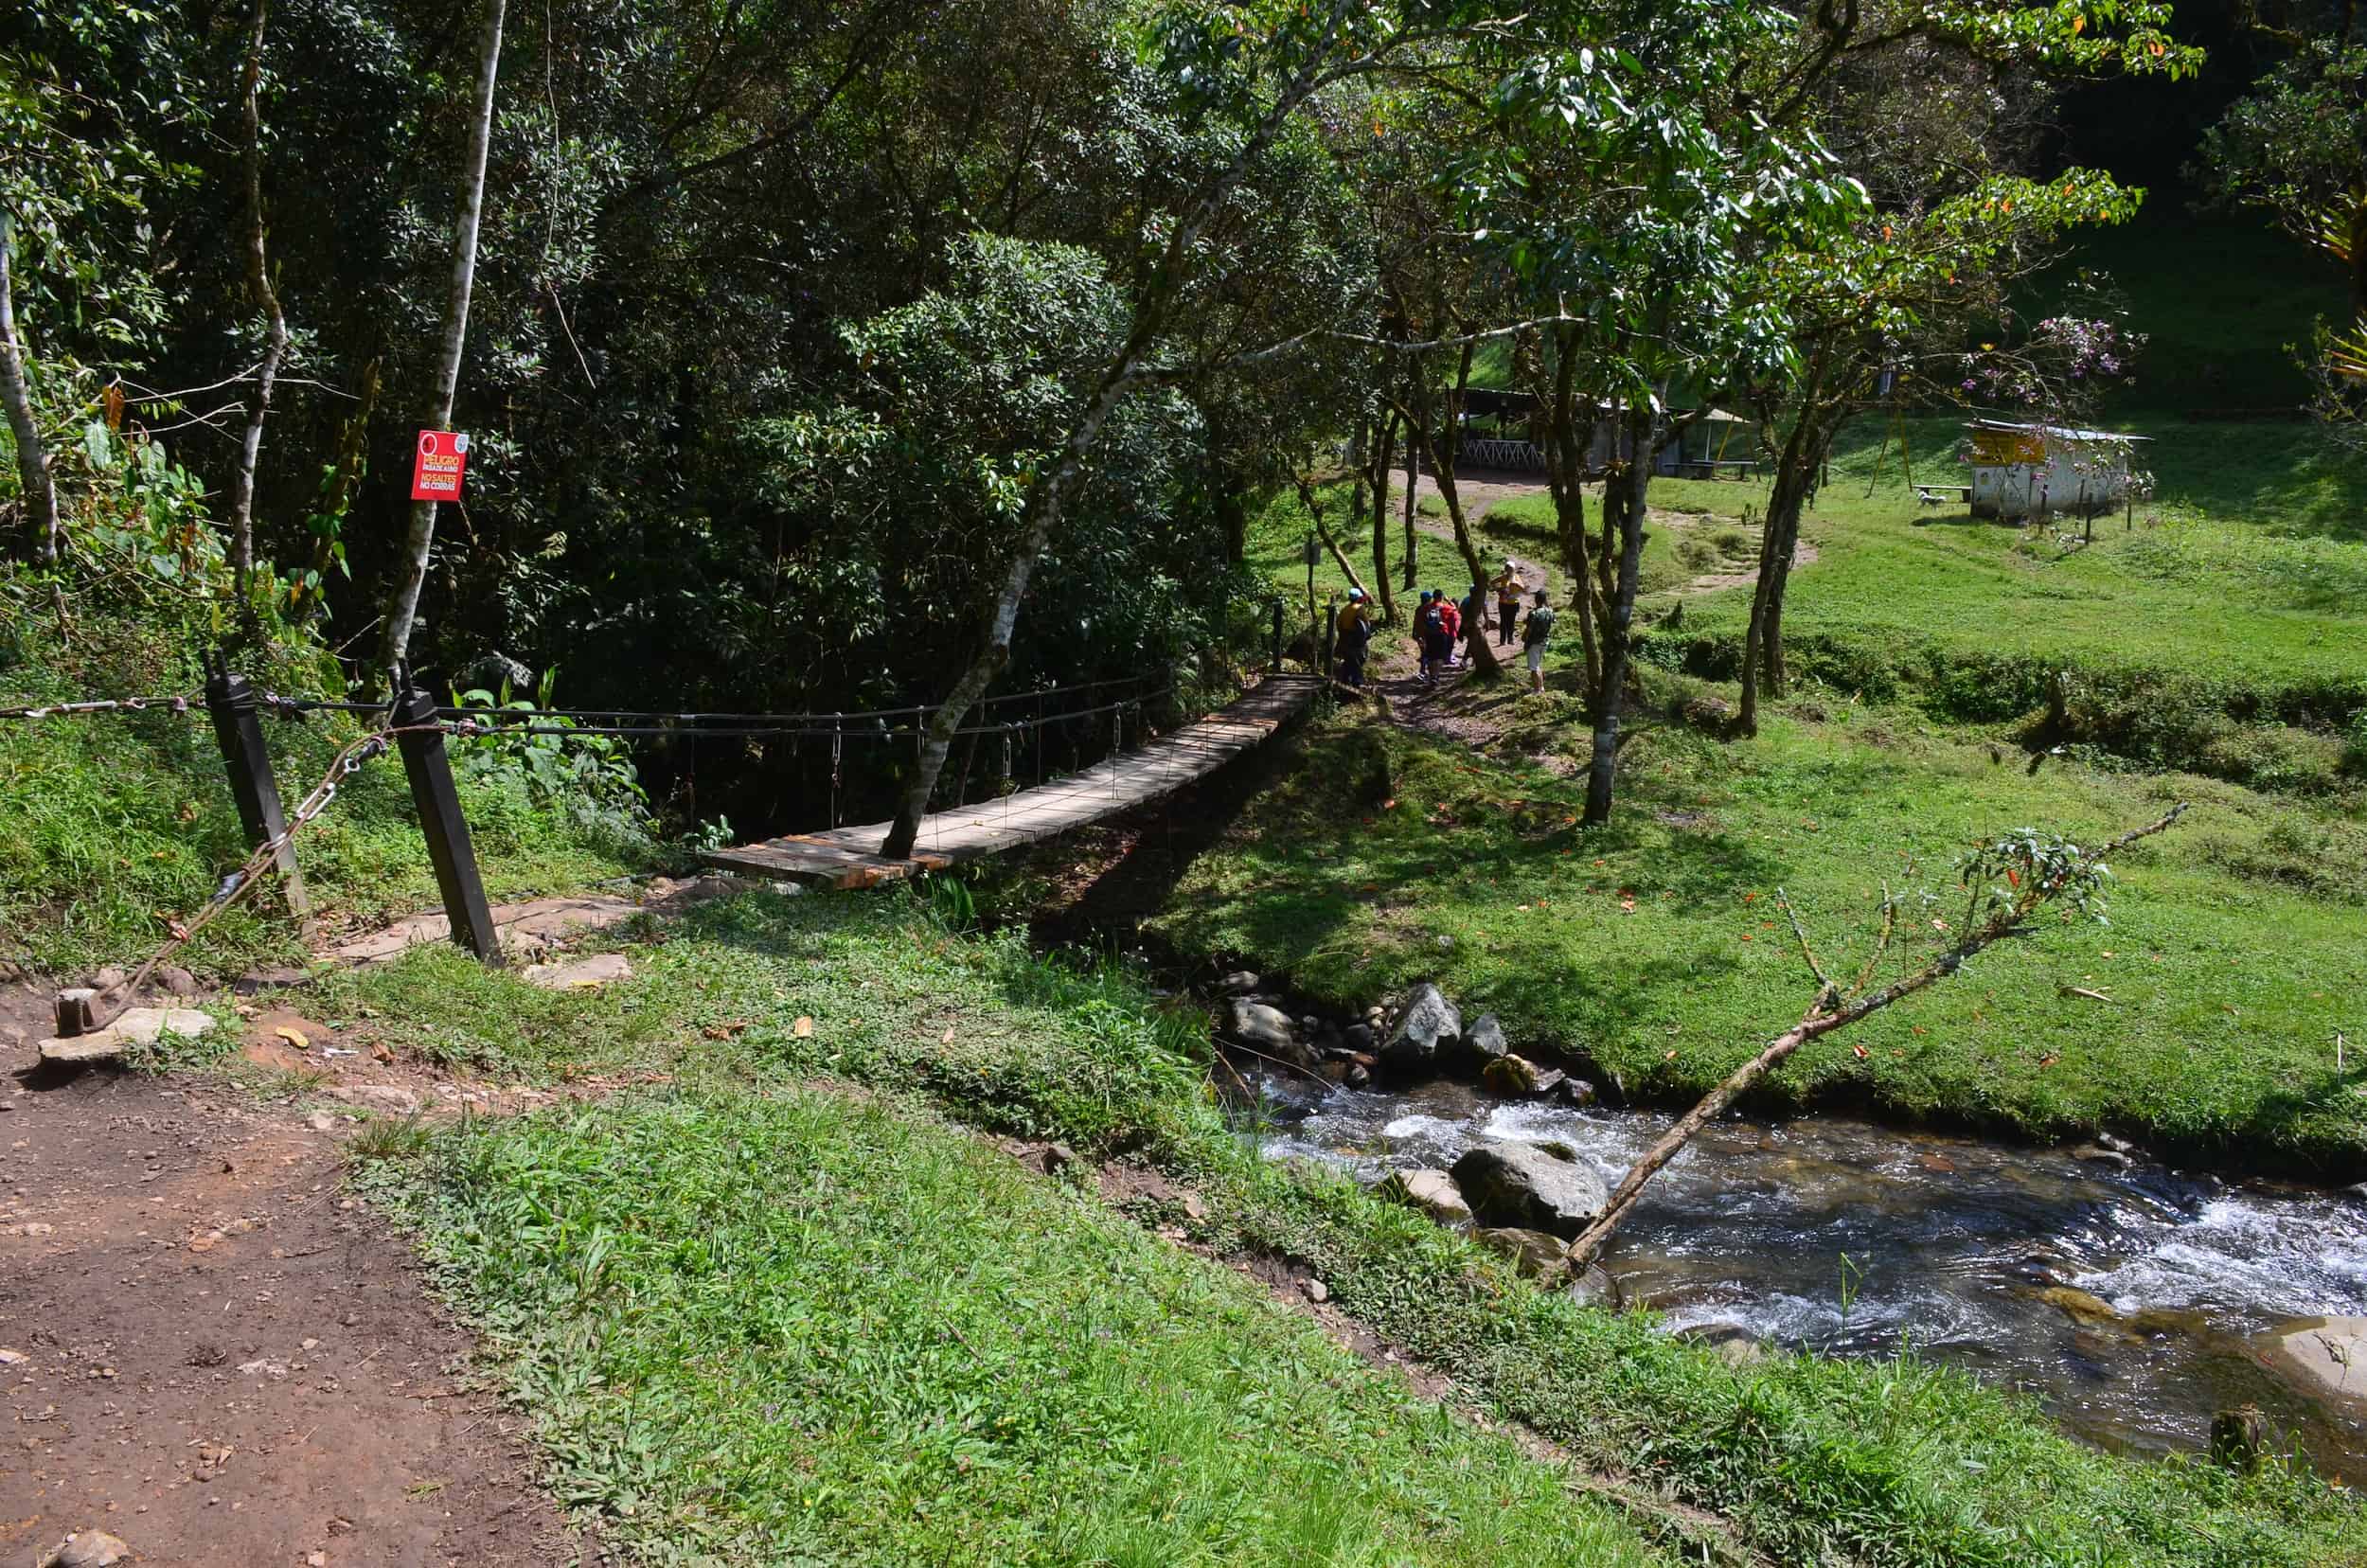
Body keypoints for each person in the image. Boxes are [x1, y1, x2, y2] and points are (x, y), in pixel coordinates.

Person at [1335, 588, 1374, 687]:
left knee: (1349, 659)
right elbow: (1365, 625)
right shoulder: (1359, 608)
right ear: (1358, 598)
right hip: (1356, 638)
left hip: (1344, 638)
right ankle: (1358, 682)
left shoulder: (1345, 609)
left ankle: (1344, 679)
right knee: (1358, 659)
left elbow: (1338, 623)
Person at [1520, 586, 1556, 693]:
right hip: (1545, 641)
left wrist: (1524, 637)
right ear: (1545, 599)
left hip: (1533, 642)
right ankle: (1541, 688)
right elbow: (1553, 621)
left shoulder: (1534, 613)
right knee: (1538, 665)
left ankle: (1537, 690)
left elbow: (1529, 628)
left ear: (1536, 599)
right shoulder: (1550, 612)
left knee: (1533, 668)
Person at [1491, 559, 1526, 645]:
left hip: (1514, 603)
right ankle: (1502, 640)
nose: (1509, 571)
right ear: (1506, 569)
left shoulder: (1517, 577)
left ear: (1514, 570)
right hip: (1503, 603)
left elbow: (1523, 589)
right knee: (1503, 621)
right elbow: (1492, 582)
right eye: (1508, 569)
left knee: (1511, 621)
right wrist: (1498, 590)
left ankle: (1510, 639)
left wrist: (1517, 584)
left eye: (1511, 569)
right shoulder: (1503, 577)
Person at [1433, 586, 1461, 667]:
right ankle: (1447, 659)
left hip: (1432, 630)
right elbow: (1454, 608)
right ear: (1441, 597)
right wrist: (1448, 600)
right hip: (1445, 630)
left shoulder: (1428, 606)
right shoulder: (1445, 607)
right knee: (1448, 645)